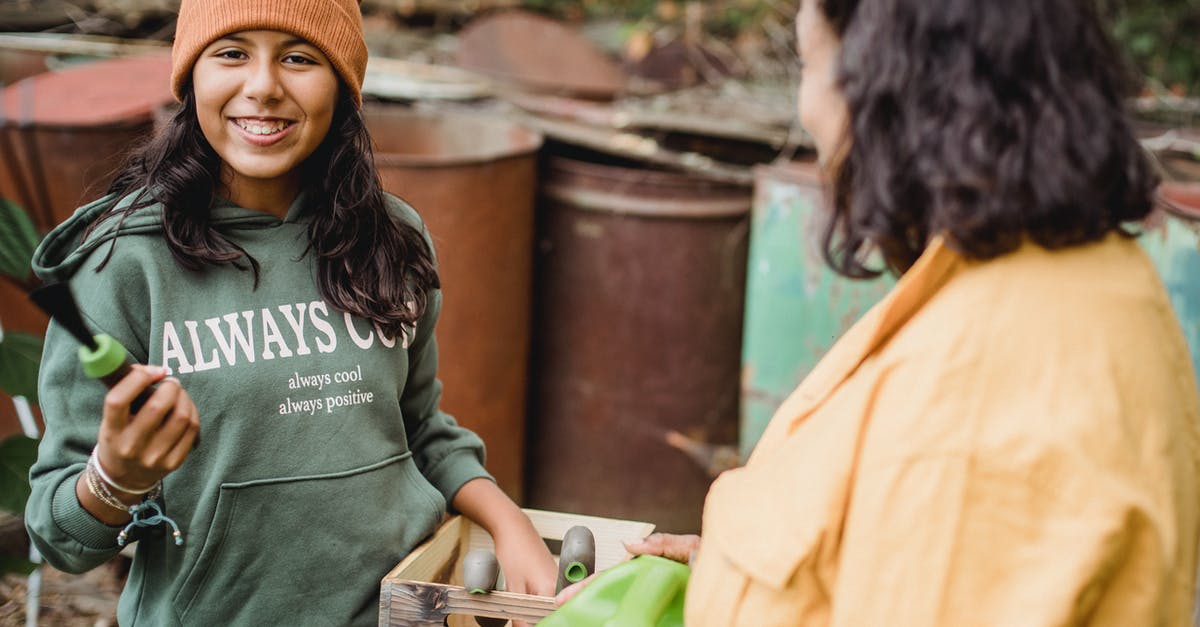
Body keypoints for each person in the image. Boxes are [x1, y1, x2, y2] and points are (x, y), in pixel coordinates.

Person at [560, 0, 1200, 624]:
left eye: (810, 65)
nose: (807, 113)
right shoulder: (1058, 284)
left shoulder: (975, 409)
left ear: (888, 84)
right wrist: (727, 583)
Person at [25, 1, 557, 624]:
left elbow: (418, 429)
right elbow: (60, 538)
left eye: (299, 58)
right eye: (231, 53)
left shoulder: (390, 238)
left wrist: (508, 522)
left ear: (343, 82)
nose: (263, 87)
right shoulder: (123, 262)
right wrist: (115, 478)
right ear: (191, 74)